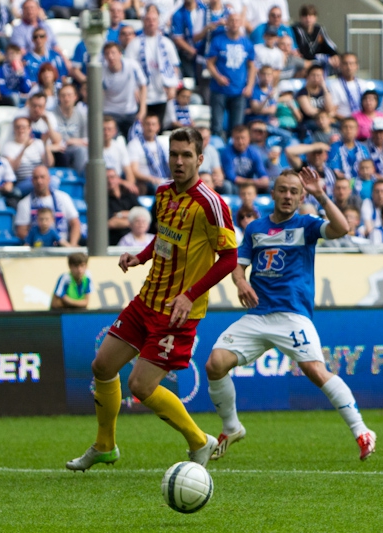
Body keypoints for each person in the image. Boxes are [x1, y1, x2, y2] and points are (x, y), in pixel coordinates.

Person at [65, 127, 238, 472]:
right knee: (102, 366)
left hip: (177, 312)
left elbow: (230, 259)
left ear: (200, 159)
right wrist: (139, 257)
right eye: (174, 154)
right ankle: (105, 445)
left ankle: (199, 440)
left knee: (141, 386)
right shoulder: (162, 194)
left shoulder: (212, 204)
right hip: (146, 300)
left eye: (186, 155)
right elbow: (163, 239)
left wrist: (189, 296)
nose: (178, 161)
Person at [204, 166, 375, 459]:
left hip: (292, 314)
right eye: (282, 190)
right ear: (272, 193)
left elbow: (341, 228)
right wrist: (241, 282)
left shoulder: (307, 225)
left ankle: (362, 430)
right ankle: (231, 427)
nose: (287, 196)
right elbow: (238, 262)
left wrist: (321, 193)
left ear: (301, 196)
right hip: (257, 314)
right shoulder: (256, 228)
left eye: (294, 192)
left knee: (315, 370)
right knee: (215, 364)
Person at [125, 6, 181, 125]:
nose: (151, 22)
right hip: (142, 95)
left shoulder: (167, 43)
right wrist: (134, 89)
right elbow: (129, 70)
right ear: (143, 21)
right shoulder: (134, 44)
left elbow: (174, 66)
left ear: (158, 21)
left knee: (158, 126)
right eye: (148, 19)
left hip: (161, 93)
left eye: (154, 20)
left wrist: (173, 86)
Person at [206, 12, 256, 138]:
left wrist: (250, 85)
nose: (234, 23)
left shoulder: (247, 43)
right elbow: (210, 63)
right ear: (227, 23)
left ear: (241, 23)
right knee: (217, 125)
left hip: (239, 91)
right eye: (231, 20)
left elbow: (252, 66)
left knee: (237, 127)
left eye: (237, 20)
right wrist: (218, 77)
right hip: (219, 90)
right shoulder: (218, 41)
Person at [14, 165, 80, 246]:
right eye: (36, 178)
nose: (39, 181)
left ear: (49, 179)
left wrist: (71, 246)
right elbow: (21, 231)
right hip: (37, 248)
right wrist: (40, 239)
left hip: (62, 246)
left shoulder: (63, 198)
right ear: (32, 181)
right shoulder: (24, 203)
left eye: (42, 177)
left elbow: (75, 224)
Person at [102, 42, 148, 138]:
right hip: (110, 111)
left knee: (135, 139)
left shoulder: (132, 65)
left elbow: (143, 85)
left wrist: (142, 109)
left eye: (113, 53)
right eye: (107, 53)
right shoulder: (101, 71)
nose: (111, 57)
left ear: (120, 54)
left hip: (130, 111)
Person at [128, 114, 171, 194]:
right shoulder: (134, 144)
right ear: (142, 125)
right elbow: (134, 170)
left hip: (165, 178)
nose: (150, 128)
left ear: (158, 126)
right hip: (147, 182)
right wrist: (151, 179)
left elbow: (170, 164)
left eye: (153, 124)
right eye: (148, 124)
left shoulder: (164, 143)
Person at [221, 125, 269, 193]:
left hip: (251, 184)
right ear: (232, 139)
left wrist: (264, 179)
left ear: (249, 139)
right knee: (228, 186)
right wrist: (253, 182)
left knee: (269, 186)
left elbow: (261, 172)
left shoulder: (254, 152)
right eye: (237, 138)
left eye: (243, 138)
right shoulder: (227, 152)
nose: (240, 142)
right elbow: (231, 177)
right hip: (235, 185)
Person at [329, 53, 369, 122]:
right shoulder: (334, 85)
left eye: (352, 64)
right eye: (345, 64)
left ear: (357, 66)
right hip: (343, 121)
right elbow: (332, 111)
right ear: (340, 66)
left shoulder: (363, 84)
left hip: (362, 121)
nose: (349, 67)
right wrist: (350, 120)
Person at [106, 168, 141, 245]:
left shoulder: (129, 195)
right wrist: (135, 220)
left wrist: (120, 214)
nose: (109, 181)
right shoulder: (103, 201)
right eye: (106, 178)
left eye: (112, 177)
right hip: (114, 242)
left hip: (136, 242)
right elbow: (111, 223)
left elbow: (142, 214)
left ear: (118, 179)